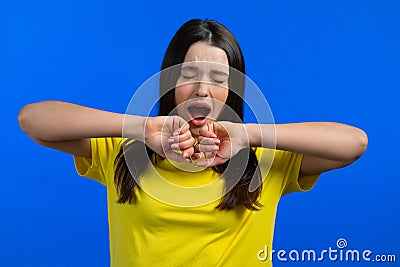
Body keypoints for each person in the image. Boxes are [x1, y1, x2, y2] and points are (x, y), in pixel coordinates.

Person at [18, 19, 368, 267]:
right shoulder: (127, 152)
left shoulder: (261, 160)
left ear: (233, 90)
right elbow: (33, 120)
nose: (202, 88)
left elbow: (354, 143)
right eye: (188, 74)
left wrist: (250, 134)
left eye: (218, 78)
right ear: (170, 82)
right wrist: (141, 127)